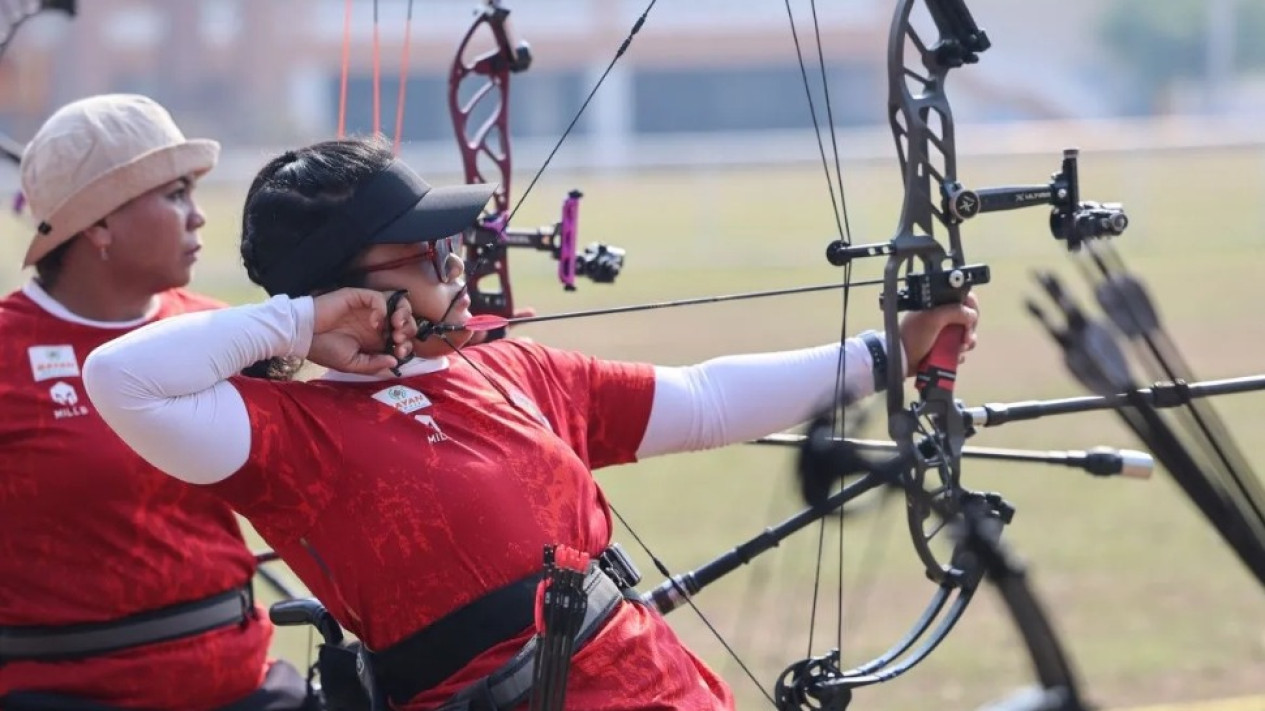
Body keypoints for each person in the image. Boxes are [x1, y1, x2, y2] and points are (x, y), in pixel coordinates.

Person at [82, 135, 980, 711]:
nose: (457, 263)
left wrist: (888, 354)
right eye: (429, 252)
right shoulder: (284, 432)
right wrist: (298, 322)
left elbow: (705, 398)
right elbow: (120, 376)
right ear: (353, 285)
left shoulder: (509, 366)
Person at [0, 94, 313, 711]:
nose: (197, 218)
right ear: (99, 224)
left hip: (243, 681)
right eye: (175, 195)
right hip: (62, 694)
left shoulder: (221, 333)